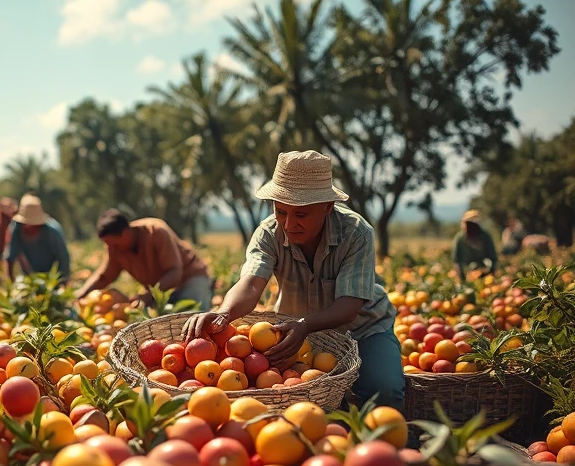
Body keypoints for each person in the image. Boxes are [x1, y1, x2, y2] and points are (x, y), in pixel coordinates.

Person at [183, 150, 404, 411]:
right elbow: (252, 283)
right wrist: (223, 314)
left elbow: (350, 305)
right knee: (303, 404)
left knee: (384, 392)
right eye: (281, 212)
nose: (288, 224)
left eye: (301, 215)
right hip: (294, 335)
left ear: (327, 207)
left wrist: (305, 325)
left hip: (364, 329)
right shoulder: (269, 233)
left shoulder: (355, 232)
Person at [75, 209, 213, 309]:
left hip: (190, 278)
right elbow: (104, 276)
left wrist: (148, 295)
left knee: (192, 316)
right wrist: (81, 293)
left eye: (113, 243)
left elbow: (174, 272)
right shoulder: (115, 248)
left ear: (124, 234)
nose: (111, 248)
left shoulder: (156, 232)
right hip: (160, 290)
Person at [5, 194, 70, 283]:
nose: (29, 228)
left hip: (51, 275)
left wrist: (62, 282)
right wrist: (11, 282)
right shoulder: (16, 230)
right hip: (29, 276)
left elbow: (63, 258)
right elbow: (10, 257)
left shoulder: (52, 231)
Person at [452, 210, 498, 279]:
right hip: (467, 274)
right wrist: (462, 278)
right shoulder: (460, 238)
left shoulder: (485, 236)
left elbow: (493, 259)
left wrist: (491, 275)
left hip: (484, 274)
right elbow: (456, 260)